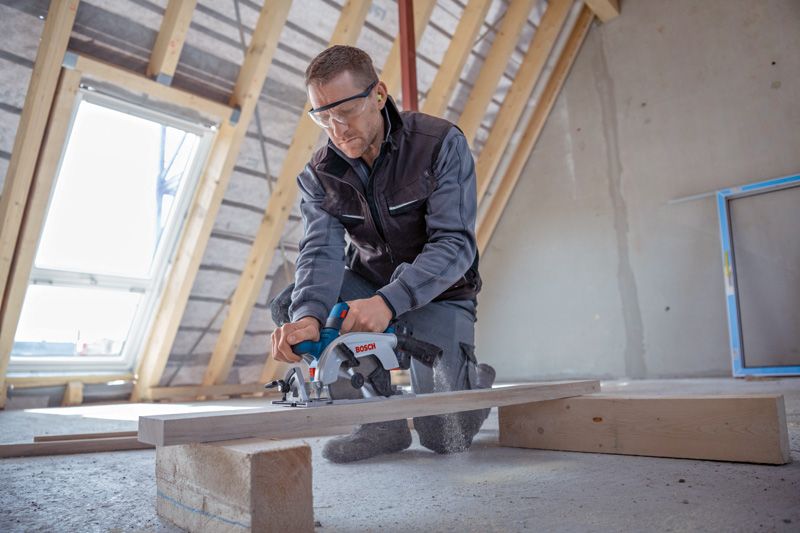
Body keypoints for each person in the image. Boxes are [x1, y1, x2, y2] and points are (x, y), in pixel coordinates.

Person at [270, 45, 495, 463]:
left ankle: (471, 381)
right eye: (323, 117)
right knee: (293, 304)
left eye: (346, 111)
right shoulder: (319, 176)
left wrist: (389, 301)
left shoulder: (439, 143)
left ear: (378, 94)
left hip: (439, 295)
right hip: (370, 287)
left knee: (444, 437)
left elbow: (454, 245)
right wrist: (307, 317)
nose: (337, 129)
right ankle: (380, 425)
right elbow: (320, 252)